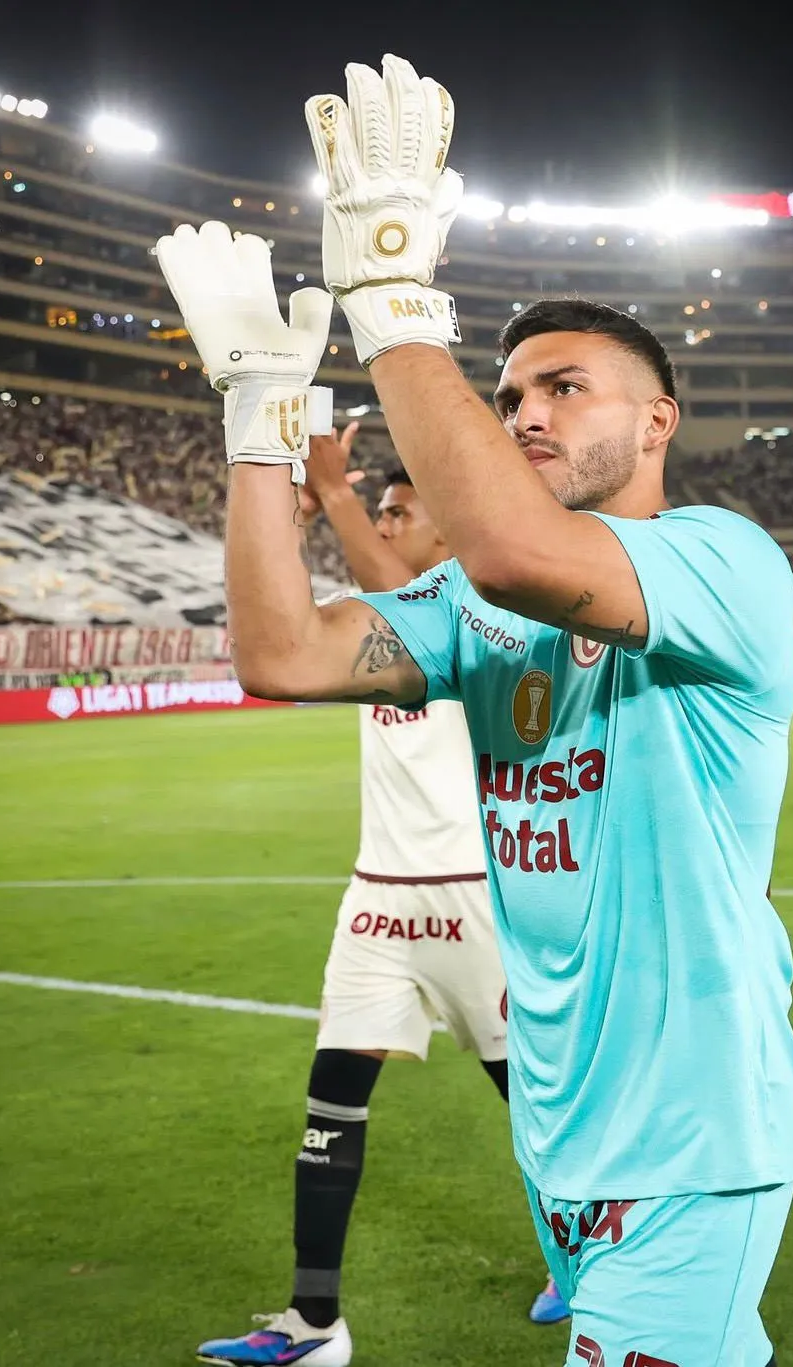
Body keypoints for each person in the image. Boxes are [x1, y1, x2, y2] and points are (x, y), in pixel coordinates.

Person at [159, 56, 793, 1365]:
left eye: (561, 386)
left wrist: (389, 297)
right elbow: (280, 652)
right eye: (509, 391)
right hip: (567, 1138)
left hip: (690, 1136)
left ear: (657, 416)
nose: (523, 410)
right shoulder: (470, 599)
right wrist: (251, 425)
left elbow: (520, 552)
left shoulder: (721, 557)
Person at [197, 428, 566, 1367]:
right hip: (378, 902)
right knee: (330, 1108)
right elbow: (282, 624)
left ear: (449, 540)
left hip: (477, 902)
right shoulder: (380, 617)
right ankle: (313, 1323)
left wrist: (333, 486)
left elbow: (396, 592)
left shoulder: (480, 610)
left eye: (403, 512)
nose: (389, 520)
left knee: (538, 1106)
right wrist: (302, 507)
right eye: (384, 509)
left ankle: (591, 1268)